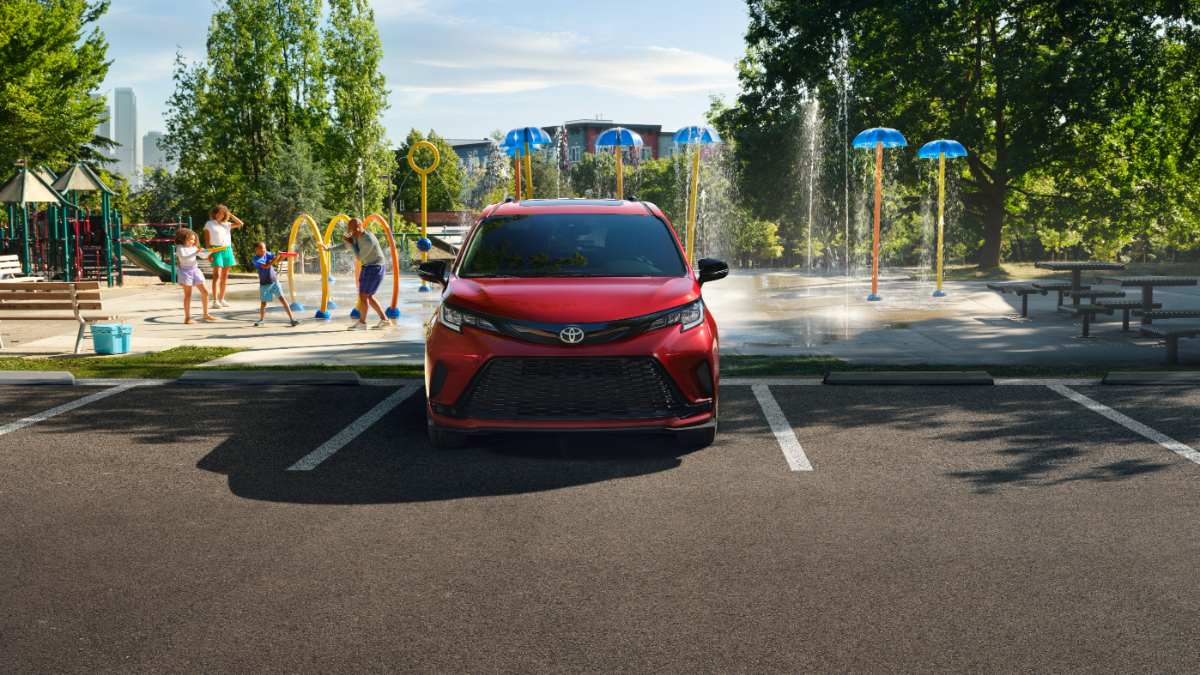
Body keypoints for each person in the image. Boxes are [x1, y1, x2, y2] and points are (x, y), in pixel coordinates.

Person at [324, 218, 391, 330]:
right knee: (368, 296)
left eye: (353, 229)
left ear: (360, 226)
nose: (351, 232)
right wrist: (328, 249)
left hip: (375, 267)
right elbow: (346, 246)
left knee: (363, 296)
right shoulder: (356, 235)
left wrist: (351, 243)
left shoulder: (368, 239)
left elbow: (359, 256)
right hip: (368, 267)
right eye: (350, 229)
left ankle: (362, 323)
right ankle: (384, 320)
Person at [251, 242, 300, 327]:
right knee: (263, 303)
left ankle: (292, 319)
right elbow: (266, 266)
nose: (264, 250)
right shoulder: (255, 259)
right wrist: (277, 257)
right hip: (265, 284)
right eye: (262, 248)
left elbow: (276, 261)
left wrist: (282, 257)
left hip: (274, 281)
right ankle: (261, 319)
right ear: (256, 250)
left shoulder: (267, 253)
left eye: (265, 248)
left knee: (283, 299)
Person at [203, 204, 243, 308]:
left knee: (225, 277)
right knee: (217, 276)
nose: (219, 215)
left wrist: (231, 214)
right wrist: (209, 253)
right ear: (214, 213)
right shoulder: (209, 224)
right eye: (217, 212)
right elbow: (207, 241)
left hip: (227, 250)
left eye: (221, 213)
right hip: (216, 250)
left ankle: (222, 299)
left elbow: (240, 223)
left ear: (225, 214)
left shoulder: (227, 224)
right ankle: (215, 301)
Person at [173, 228, 216, 324]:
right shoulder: (180, 247)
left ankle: (206, 314)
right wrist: (196, 252)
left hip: (195, 270)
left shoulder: (194, 247)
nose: (192, 241)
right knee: (188, 295)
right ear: (182, 239)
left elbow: (203, 256)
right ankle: (187, 318)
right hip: (185, 271)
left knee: (205, 292)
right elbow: (184, 257)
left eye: (193, 239)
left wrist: (208, 252)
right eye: (190, 239)